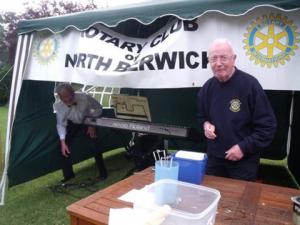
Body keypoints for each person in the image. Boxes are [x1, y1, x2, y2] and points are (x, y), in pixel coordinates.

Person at [196, 38, 277, 181]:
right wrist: (205, 125)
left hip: (243, 164)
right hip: (215, 163)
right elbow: (201, 117)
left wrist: (243, 148)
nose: (218, 63)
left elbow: (268, 126)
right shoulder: (207, 88)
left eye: (223, 58)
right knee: (213, 199)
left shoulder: (250, 86)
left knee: (239, 203)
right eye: (214, 59)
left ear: (234, 59)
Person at [54, 83, 108, 183]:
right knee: (61, 147)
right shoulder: (59, 106)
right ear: (60, 98)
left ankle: (103, 173)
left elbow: (99, 108)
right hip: (72, 123)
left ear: (73, 93)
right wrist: (62, 141)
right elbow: (61, 124)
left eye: (70, 98)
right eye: (64, 100)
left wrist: (91, 123)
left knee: (94, 143)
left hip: (88, 120)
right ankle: (68, 175)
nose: (68, 102)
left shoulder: (85, 98)